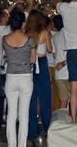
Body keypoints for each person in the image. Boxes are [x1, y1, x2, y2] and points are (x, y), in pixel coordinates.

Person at [3, 11, 37, 147]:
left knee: (11, 115)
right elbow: (33, 60)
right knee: (24, 115)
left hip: (10, 78)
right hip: (25, 78)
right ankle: (22, 144)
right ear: (23, 23)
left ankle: (12, 144)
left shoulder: (4, 39)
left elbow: (6, 56)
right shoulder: (30, 39)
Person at [26, 10, 53, 139]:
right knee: (45, 98)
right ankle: (46, 127)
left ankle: (32, 130)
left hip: (29, 64)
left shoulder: (26, 33)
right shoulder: (44, 33)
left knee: (31, 98)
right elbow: (50, 49)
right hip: (41, 63)